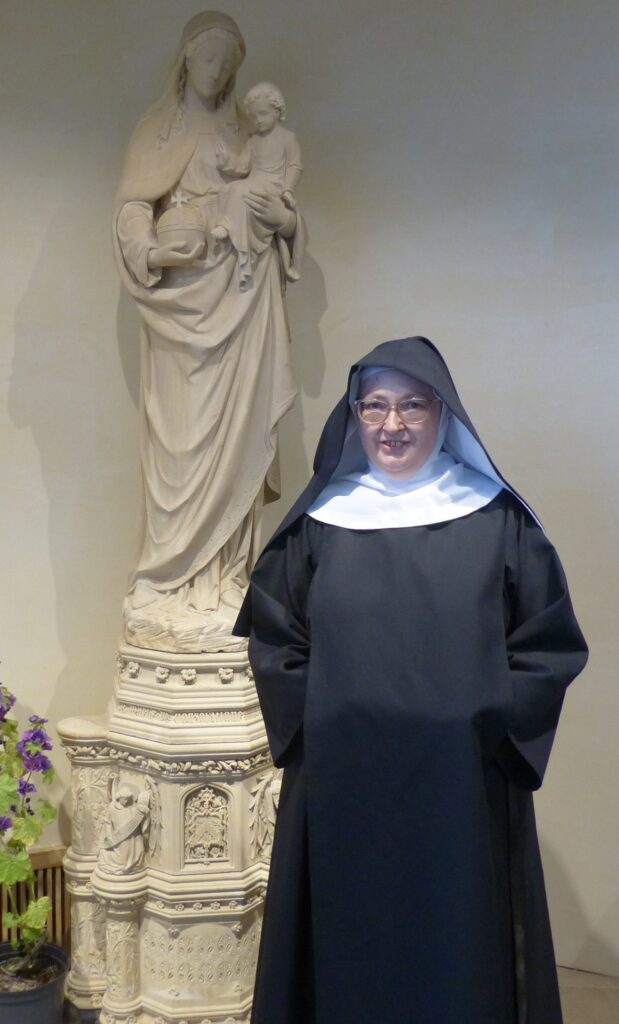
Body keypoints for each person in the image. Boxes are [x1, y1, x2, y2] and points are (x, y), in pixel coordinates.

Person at [233, 336, 588, 1023]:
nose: (390, 424)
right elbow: (275, 638)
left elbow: (546, 644)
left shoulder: (497, 521)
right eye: (373, 406)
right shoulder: (317, 525)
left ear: (441, 415)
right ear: (354, 415)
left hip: (460, 784)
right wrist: (322, 718)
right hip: (342, 782)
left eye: (411, 407)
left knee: (457, 942)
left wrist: (483, 719)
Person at [113, 11, 305, 653]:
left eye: (230, 62)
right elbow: (134, 207)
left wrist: (281, 218)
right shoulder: (157, 131)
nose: (219, 72)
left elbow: (280, 203)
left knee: (239, 427)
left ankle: (226, 579)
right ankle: (167, 584)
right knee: (181, 439)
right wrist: (151, 252)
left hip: (245, 294)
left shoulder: (249, 133)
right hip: (182, 298)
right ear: (186, 59)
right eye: (210, 58)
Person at [212, 81, 303, 288]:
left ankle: (240, 243)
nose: (258, 120)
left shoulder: (288, 138)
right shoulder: (253, 142)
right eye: (253, 116)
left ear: (277, 111)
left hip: (273, 187)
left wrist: (287, 190)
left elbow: (295, 167)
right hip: (254, 182)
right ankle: (228, 226)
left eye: (263, 113)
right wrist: (226, 161)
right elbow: (242, 166)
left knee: (242, 190)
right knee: (230, 188)